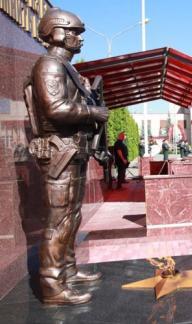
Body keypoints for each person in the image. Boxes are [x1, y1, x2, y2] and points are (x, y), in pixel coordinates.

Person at [25, 7, 108, 305]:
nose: (78, 38)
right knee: (59, 219)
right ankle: (51, 284)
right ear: (56, 33)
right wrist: (92, 111)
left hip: (74, 151)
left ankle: (67, 271)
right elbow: (55, 109)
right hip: (61, 151)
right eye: (73, 32)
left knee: (72, 216)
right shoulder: (49, 65)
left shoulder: (66, 67)